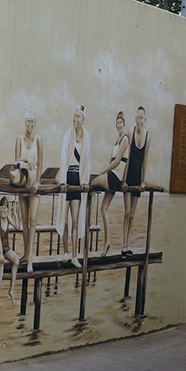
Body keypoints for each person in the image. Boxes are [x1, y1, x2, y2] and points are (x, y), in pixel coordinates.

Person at [90, 111, 130, 257]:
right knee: (103, 209)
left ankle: (88, 213)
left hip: (116, 177)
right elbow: (111, 160)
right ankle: (107, 242)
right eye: (117, 122)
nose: (119, 125)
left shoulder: (125, 139)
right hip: (112, 176)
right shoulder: (117, 141)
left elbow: (117, 162)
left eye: (121, 123)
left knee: (92, 182)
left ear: (124, 124)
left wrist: (102, 172)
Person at [56, 105, 91, 269]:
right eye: (74, 116)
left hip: (78, 179)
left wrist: (85, 181)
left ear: (83, 119)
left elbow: (87, 160)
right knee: (64, 218)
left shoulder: (86, 136)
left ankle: (75, 256)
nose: (75, 119)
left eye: (78, 116)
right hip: (67, 177)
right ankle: (65, 252)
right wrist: (63, 181)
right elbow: (63, 157)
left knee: (75, 220)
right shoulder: (67, 134)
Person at [14, 110, 43, 273]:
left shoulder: (38, 139)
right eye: (28, 121)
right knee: (24, 222)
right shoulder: (19, 139)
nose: (30, 124)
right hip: (22, 182)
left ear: (35, 124)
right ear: (25, 123)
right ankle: (25, 254)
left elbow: (41, 162)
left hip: (33, 184)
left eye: (32, 121)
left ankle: (30, 257)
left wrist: (38, 181)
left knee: (33, 221)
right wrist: (25, 160)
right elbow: (16, 161)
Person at [121, 106, 151, 257]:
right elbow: (127, 158)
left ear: (145, 119)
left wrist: (143, 181)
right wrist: (124, 180)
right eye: (138, 118)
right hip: (128, 177)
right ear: (135, 119)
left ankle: (128, 245)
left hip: (138, 179)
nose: (140, 121)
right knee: (127, 212)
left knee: (132, 214)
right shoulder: (130, 132)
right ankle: (124, 246)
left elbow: (145, 159)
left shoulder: (148, 136)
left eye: (142, 118)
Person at [0, 197, 21, 307]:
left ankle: (11, 290)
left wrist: (15, 214)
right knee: (1, 260)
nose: (3, 210)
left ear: (8, 209)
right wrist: (0, 253)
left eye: (5, 208)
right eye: (1, 208)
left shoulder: (8, 218)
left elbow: (17, 227)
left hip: (6, 248)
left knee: (16, 260)